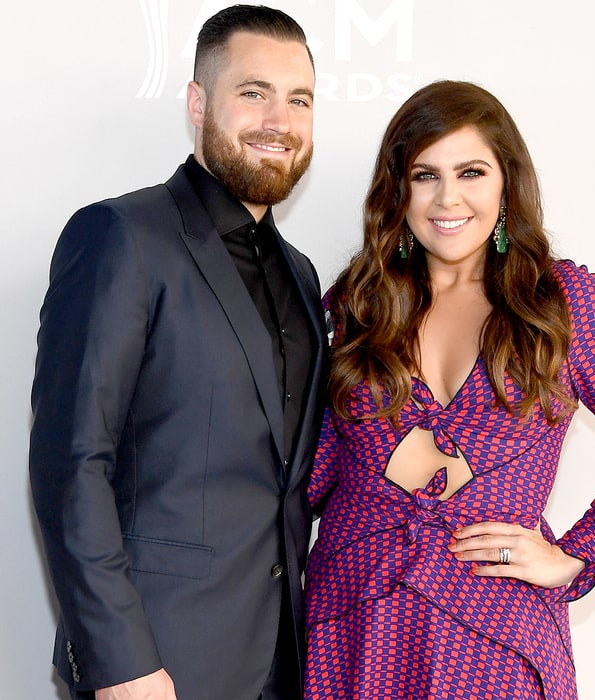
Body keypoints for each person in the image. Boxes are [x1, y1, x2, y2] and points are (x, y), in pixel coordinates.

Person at [303, 80, 595, 700]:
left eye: (471, 172)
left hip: (495, 641)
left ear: (506, 183)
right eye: (424, 174)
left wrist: (575, 555)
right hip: (352, 632)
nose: (447, 197)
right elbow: (311, 475)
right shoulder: (358, 306)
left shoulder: (563, 305)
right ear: (397, 189)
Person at [29, 6, 325, 700]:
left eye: (299, 99)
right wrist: (120, 662)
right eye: (253, 92)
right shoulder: (120, 236)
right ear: (198, 103)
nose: (278, 120)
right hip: (155, 665)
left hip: (281, 663)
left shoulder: (304, 275)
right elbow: (72, 462)